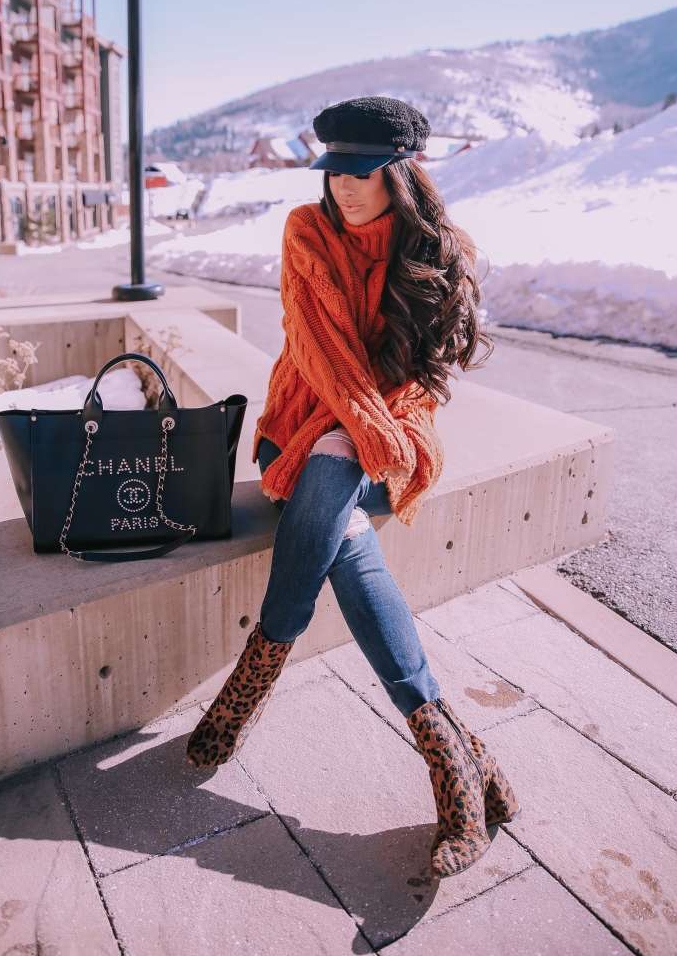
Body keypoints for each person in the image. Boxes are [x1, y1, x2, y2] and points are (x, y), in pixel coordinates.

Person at [186, 96, 519, 878]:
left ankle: (251, 679)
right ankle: (458, 764)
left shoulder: (442, 250)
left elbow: (426, 381)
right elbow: (325, 353)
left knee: (339, 493)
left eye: (361, 171)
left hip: (388, 439)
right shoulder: (308, 233)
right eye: (333, 169)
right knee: (339, 492)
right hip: (301, 425)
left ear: (401, 173)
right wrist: (369, 440)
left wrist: (386, 439)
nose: (343, 186)